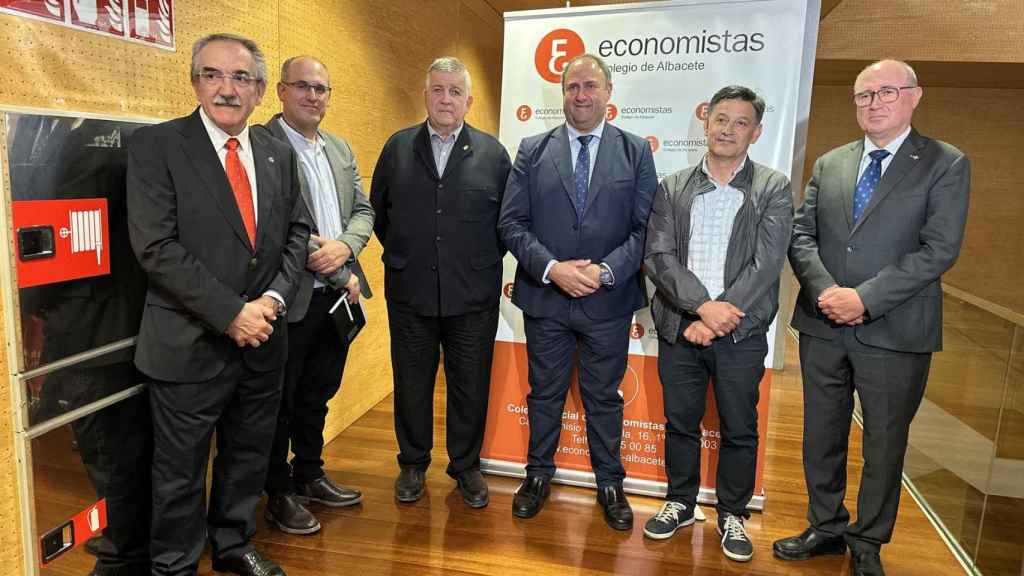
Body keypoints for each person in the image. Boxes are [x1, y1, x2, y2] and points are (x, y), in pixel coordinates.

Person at [775, 59, 970, 576]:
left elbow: (939, 249)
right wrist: (824, 291)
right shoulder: (831, 162)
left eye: (886, 92)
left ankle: (868, 542)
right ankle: (826, 526)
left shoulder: (945, 163)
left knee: (884, 441)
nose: (875, 102)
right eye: (864, 95)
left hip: (895, 329)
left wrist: (864, 298)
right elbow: (801, 234)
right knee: (821, 433)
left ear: (914, 96)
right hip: (823, 326)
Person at [127, 33, 309, 576]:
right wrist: (233, 313)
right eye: (212, 75)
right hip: (188, 344)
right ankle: (174, 565)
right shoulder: (157, 148)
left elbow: (297, 232)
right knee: (179, 471)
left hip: (263, 341)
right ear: (194, 82)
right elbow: (156, 248)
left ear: (259, 92)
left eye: (240, 78)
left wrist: (272, 300)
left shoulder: (277, 151)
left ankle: (233, 543)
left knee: (248, 454)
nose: (226, 89)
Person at [498, 53, 657, 531]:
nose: (581, 95)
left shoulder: (635, 151)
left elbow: (646, 228)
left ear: (608, 93)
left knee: (604, 396)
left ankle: (611, 483)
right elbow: (511, 222)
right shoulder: (531, 149)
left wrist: (605, 273)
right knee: (543, 393)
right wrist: (553, 269)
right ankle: (537, 477)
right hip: (546, 298)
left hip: (608, 302)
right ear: (562, 93)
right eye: (572, 87)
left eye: (590, 86)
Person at [641, 85, 792, 560]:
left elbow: (767, 265)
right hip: (680, 327)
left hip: (740, 332)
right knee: (680, 422)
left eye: (740, 122)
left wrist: (719, 316)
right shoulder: (672, 185)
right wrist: (701, 308)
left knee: (740, 428)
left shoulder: (773, 186)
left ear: (756, 132)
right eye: (720, 119)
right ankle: (680, 502)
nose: (728, 129)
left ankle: (732, 513)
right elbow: (658, 256)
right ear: (706, 123)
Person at [369, 57, 511, 508]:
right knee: (411, 382)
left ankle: (465, 466)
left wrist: (472, 262)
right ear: (425, 94)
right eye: (437, 90)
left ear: (468, 101)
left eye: (454, 92)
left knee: (470, 385)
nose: (445, 99)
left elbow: (507, 225)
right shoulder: (397, 148)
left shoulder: (493, 154)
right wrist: (410, 256)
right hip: (410, 294)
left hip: (473, 297)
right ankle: (412, 464)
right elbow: (379, 214)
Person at [260, 55, 374, 535]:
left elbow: (364, 210)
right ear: (281, 91)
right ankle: (278, 490)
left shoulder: (340, 147)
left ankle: (309, 472)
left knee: (318, 394)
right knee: (279, 402)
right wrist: (319, 253)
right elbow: (266, 219)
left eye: (322, 89)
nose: (313, 96)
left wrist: (344, 249)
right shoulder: (259, 146)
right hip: (291, 297)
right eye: (303, 86)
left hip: (337, 296)